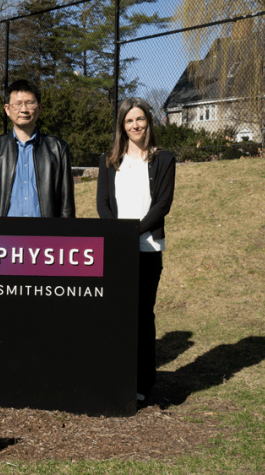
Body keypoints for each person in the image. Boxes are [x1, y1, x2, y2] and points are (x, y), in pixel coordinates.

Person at [96, 97, 176, 405]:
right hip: (117, 250)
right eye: (129, 121)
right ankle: (116, 379)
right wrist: (118, 236)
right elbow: (102, 203)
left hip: (147, 249)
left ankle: (143, 383)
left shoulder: (163, 159)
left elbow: (162, 205)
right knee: (116, 317)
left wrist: (134, 233)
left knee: (142, 316)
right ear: (122, 125)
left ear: (149, 122)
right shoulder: (110, 160)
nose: (135, 125)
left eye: (140, 119)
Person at [0, 79, 76, 217]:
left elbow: (66, 204)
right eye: (17, 104)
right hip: (3, 234)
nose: (24, 110)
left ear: (40, 108)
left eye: (30, 103)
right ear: (7, 109)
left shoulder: (58, 148)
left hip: (45, 234)